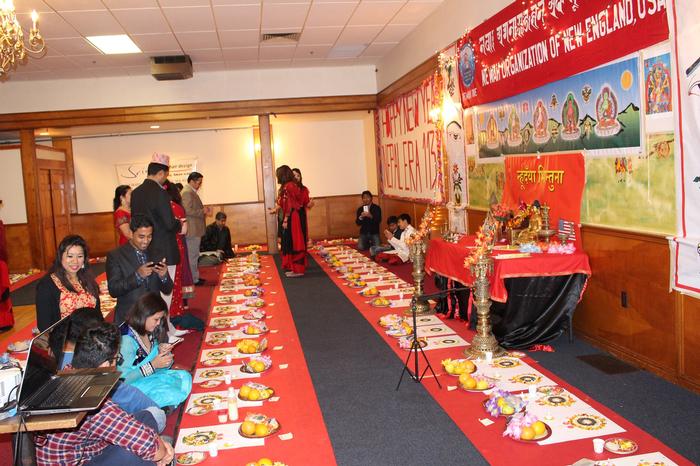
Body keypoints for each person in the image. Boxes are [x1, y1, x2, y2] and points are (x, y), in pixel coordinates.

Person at [35, 322, 174, 466]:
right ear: (105, 365)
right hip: (80, 461)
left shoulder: (66, 373)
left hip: (87, 450)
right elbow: (152, 449)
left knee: (147, 417)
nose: (117, 365)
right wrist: (162, 451)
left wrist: (158, 446)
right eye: (117, 359)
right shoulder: (93, 400)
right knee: (133, 454)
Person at [117, 293, 192, 408]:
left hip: (149, 379)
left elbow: (158, 363)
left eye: (160, 319)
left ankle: (161, 405)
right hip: (133, 387)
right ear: (144, 315)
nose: (158, 323)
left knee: (184, 377)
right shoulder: (127, 340)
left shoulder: (147, 329)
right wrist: (152, 365)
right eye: (156, 319)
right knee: (168, 393)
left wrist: (163, 353)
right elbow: (122, 380)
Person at [130, 153, 180, 309]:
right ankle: (164, 323)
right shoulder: (160, 193)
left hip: (142, 248)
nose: (165, 179)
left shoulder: (136, 192)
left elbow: (135, 222)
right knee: (165, 291)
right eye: (166, 175)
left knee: (149, 290)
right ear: (160, 173)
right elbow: (169, 223)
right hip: (163, 249)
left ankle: (154, 322)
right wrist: (179, 224)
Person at [106, 215, 174, 326]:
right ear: (131, 234)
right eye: (141, 237)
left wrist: (164, 276)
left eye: (149, 236)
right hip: (130, 317)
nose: (146, 241)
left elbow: (167, 290)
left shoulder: (157, 253)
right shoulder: (116, 256)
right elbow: (114, 290)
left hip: (155, 318)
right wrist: (137, 276)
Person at [35, 235, 100, 331]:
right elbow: (44, 326)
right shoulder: (47, 285)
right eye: (70, 256)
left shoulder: (88, 280)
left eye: (80, 256)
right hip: (64, 338)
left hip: (91, 337)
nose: (75, 261)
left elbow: (98, 315)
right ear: (60, 256)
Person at [165, 181, 190, 318]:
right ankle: (176, 310)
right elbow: (183, 230)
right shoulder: (177, 208)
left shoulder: (157, 208)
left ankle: (167, 311)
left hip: (161, 247)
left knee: (164, 278)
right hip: (176, 246)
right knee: (176, 278)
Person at [276, 165, 307, 277]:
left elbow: (290, 205)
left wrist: (285, 219)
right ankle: (295, 268)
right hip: (293, 216)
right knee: (292, 242)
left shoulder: (289, 186)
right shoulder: (289, 185)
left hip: (293, 217)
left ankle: (298, 270)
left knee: (296, 243)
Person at [181, 172, 208, 286]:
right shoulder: (187, 192)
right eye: (198, 182)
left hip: (194, 228)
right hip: (192, 229)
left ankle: (194, 277)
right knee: (192, 255)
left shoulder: (190, 191)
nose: (200, 185)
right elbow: (186, 210)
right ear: (192, 181)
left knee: (194, 255)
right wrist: (202, 211)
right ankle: (193, 279)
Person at [292, 168, 314, 245]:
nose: (296, 177)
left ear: (300, 177)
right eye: (294, 175)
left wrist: (310, 204)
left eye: (298, 175)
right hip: (292, 213)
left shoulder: (304, 189)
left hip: (301, 213)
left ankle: (303, 247)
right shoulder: (288, 189)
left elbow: (307, 204)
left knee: (302, 231)